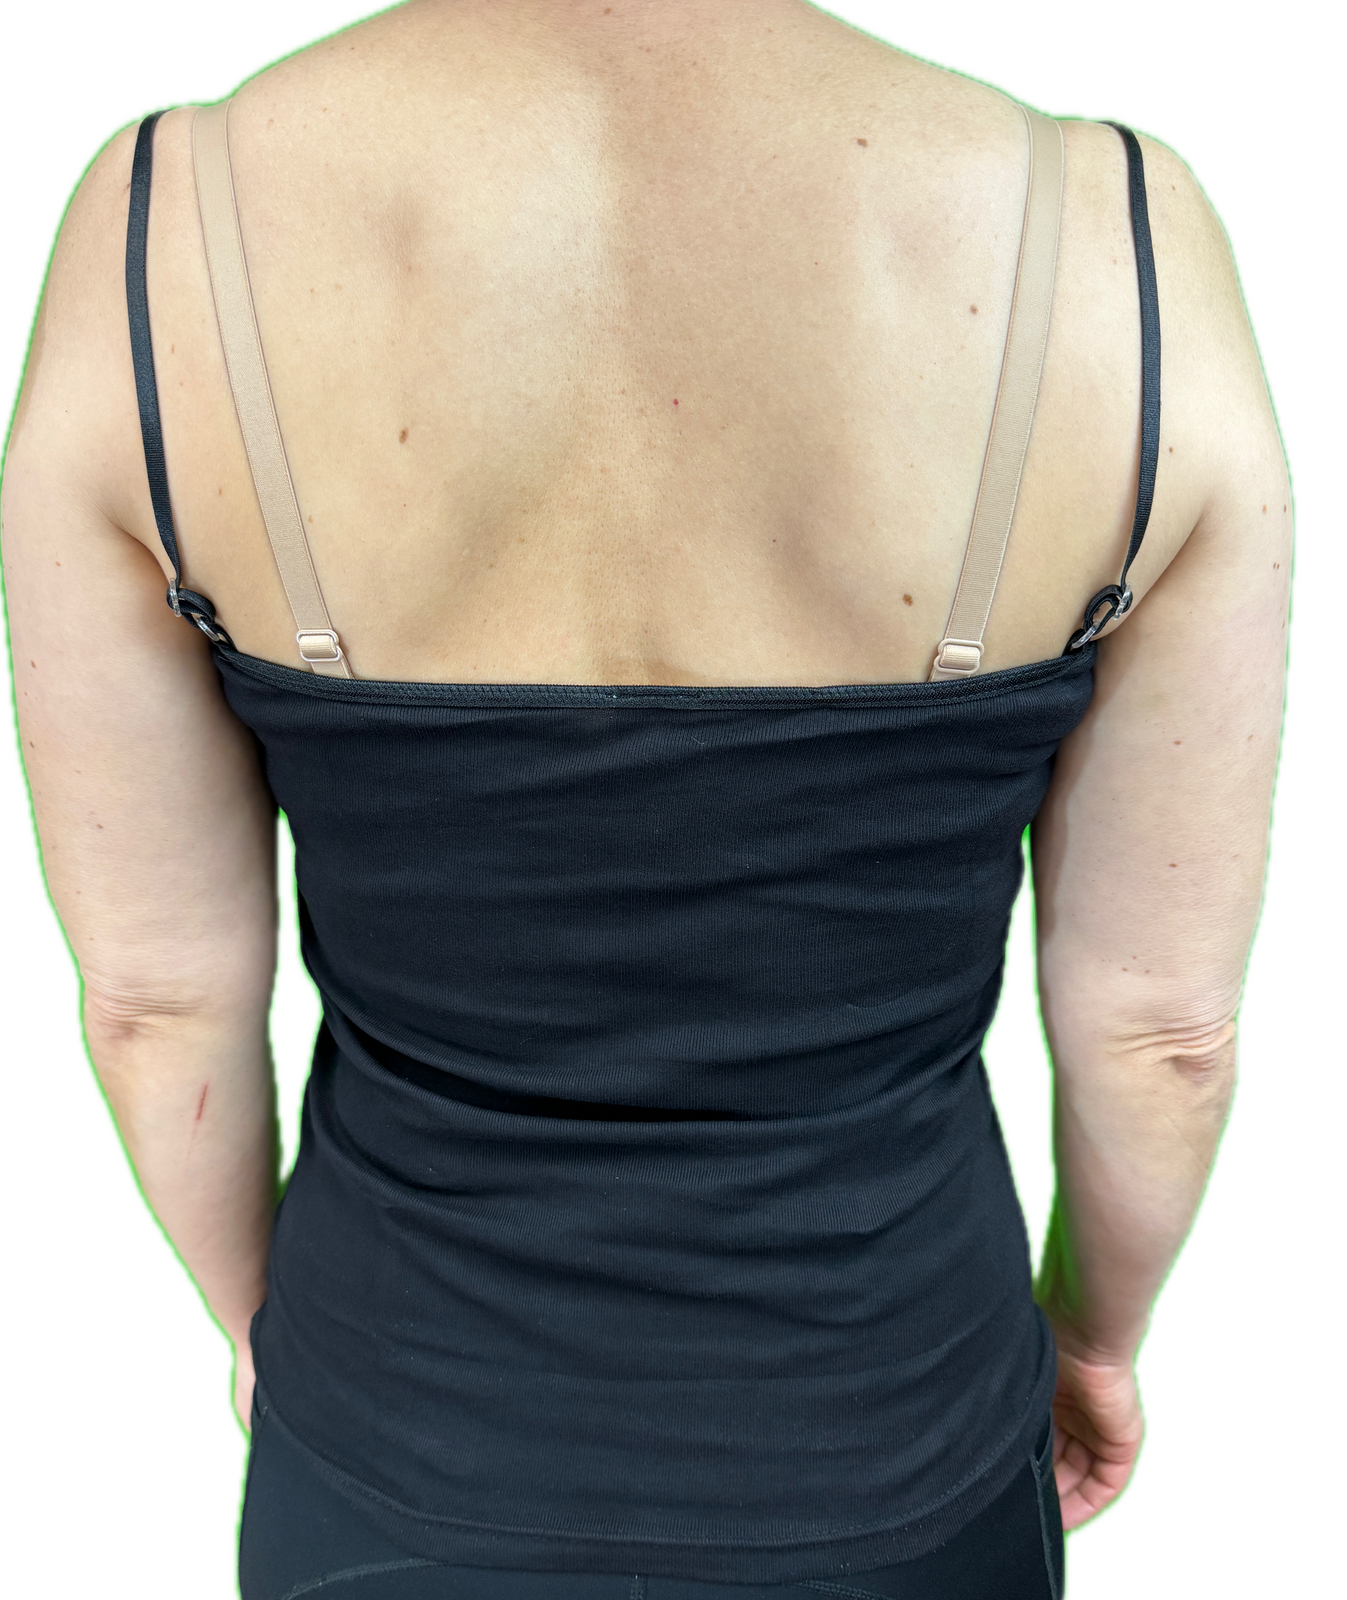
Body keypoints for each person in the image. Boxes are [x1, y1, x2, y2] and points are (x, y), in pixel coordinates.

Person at [0, 2, 1290, 1596]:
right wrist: (1092, 1336)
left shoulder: (162, 219)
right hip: (905, 1452)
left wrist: (272, 1331)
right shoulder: (1116, 234)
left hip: (394, 1445)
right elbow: (1160, 1035)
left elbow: (155, 1002)